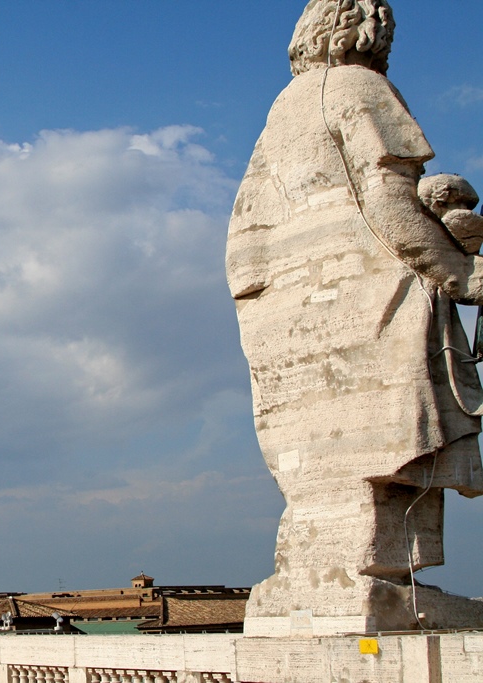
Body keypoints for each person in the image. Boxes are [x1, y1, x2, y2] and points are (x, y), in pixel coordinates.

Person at [226, 0, 483, 631]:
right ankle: (374, 580)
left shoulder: (279, 114)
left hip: (296, 320)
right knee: (385, 440)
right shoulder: (357, 87)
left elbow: (244, 242)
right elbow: (389, 202)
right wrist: (463, 273)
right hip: (368, 303)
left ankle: (323, 578)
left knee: (329, 462)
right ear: (363, 30)